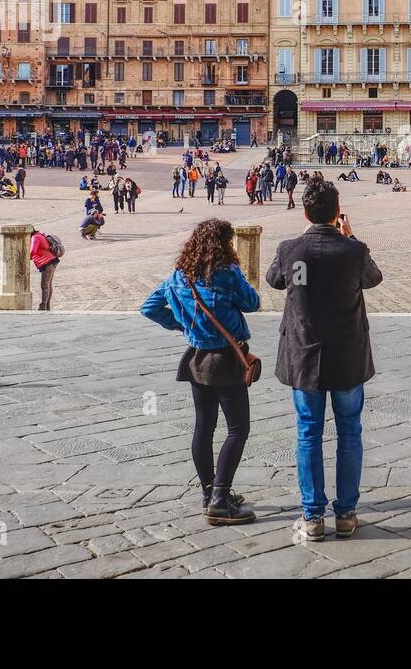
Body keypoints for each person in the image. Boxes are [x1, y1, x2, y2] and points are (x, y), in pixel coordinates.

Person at [266, 179, 382, 541]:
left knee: (307, 432)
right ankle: (346, 513)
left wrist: (301, 242)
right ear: (337, 212)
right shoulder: (352, 250)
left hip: (305, 356)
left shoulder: (291, 250)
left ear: (305, 213)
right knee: (350, 431)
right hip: (347, 356)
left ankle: (313, 516)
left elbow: (274, 280)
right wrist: (350, 237)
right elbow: (373, 278)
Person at [141, 219, 261, 525]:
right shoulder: (227, 273)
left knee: (203, 428)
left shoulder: (180, 275)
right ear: (225, 244)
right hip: (224, 359)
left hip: (196, 359)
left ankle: (209, 494)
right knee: (238, 429)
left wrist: (182, 324)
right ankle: (220, 498)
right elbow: (253, 302)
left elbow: (149, 307)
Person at [31, 228, 60, 311]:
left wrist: (26, 257)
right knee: (48, 284)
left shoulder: (35, 237)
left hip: (47, 262)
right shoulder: (40, 235)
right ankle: (47, 305)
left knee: (44, 285)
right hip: (52, 261)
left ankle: (43, 306)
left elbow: (33, 251)